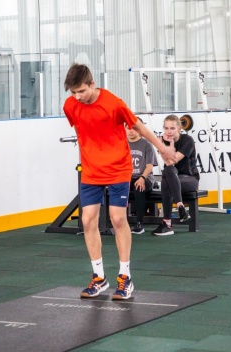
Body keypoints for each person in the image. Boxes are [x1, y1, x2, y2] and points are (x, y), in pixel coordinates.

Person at [63, 63, 176, 300]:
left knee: (117, 219)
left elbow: (139, 127)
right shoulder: (70, 106)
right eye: (73, 92)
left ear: (92, 84)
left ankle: (125, 277)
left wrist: (163, 148)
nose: (78, 97)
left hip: (117, 169)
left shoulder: (113, 103)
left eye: (81, 91)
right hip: (92, 171)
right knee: (87, 220)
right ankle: (99, 277)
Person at [152, 114, 200, 236]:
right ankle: (180, 207)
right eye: (166, 128)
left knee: (167, 178)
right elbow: (168, 165)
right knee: (168, 173)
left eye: (172, 128)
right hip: (172, 178)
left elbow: (172, 160)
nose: (169, 131)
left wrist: (169, 145)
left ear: (179, 128)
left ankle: (167, 223)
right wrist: (162, 145)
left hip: (190, 179)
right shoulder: (162, 141)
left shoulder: (188, 140)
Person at [126, 119, 158, 235]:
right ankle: (120, 222)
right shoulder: (122, 144)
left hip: (145, 177)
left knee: (139, 187)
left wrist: (142, 178)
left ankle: (139, 223)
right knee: (117, 187)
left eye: (134, 128)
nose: (131, 131)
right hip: (128, 177)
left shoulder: (146, 145)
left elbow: (149, 166)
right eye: (128, 128)